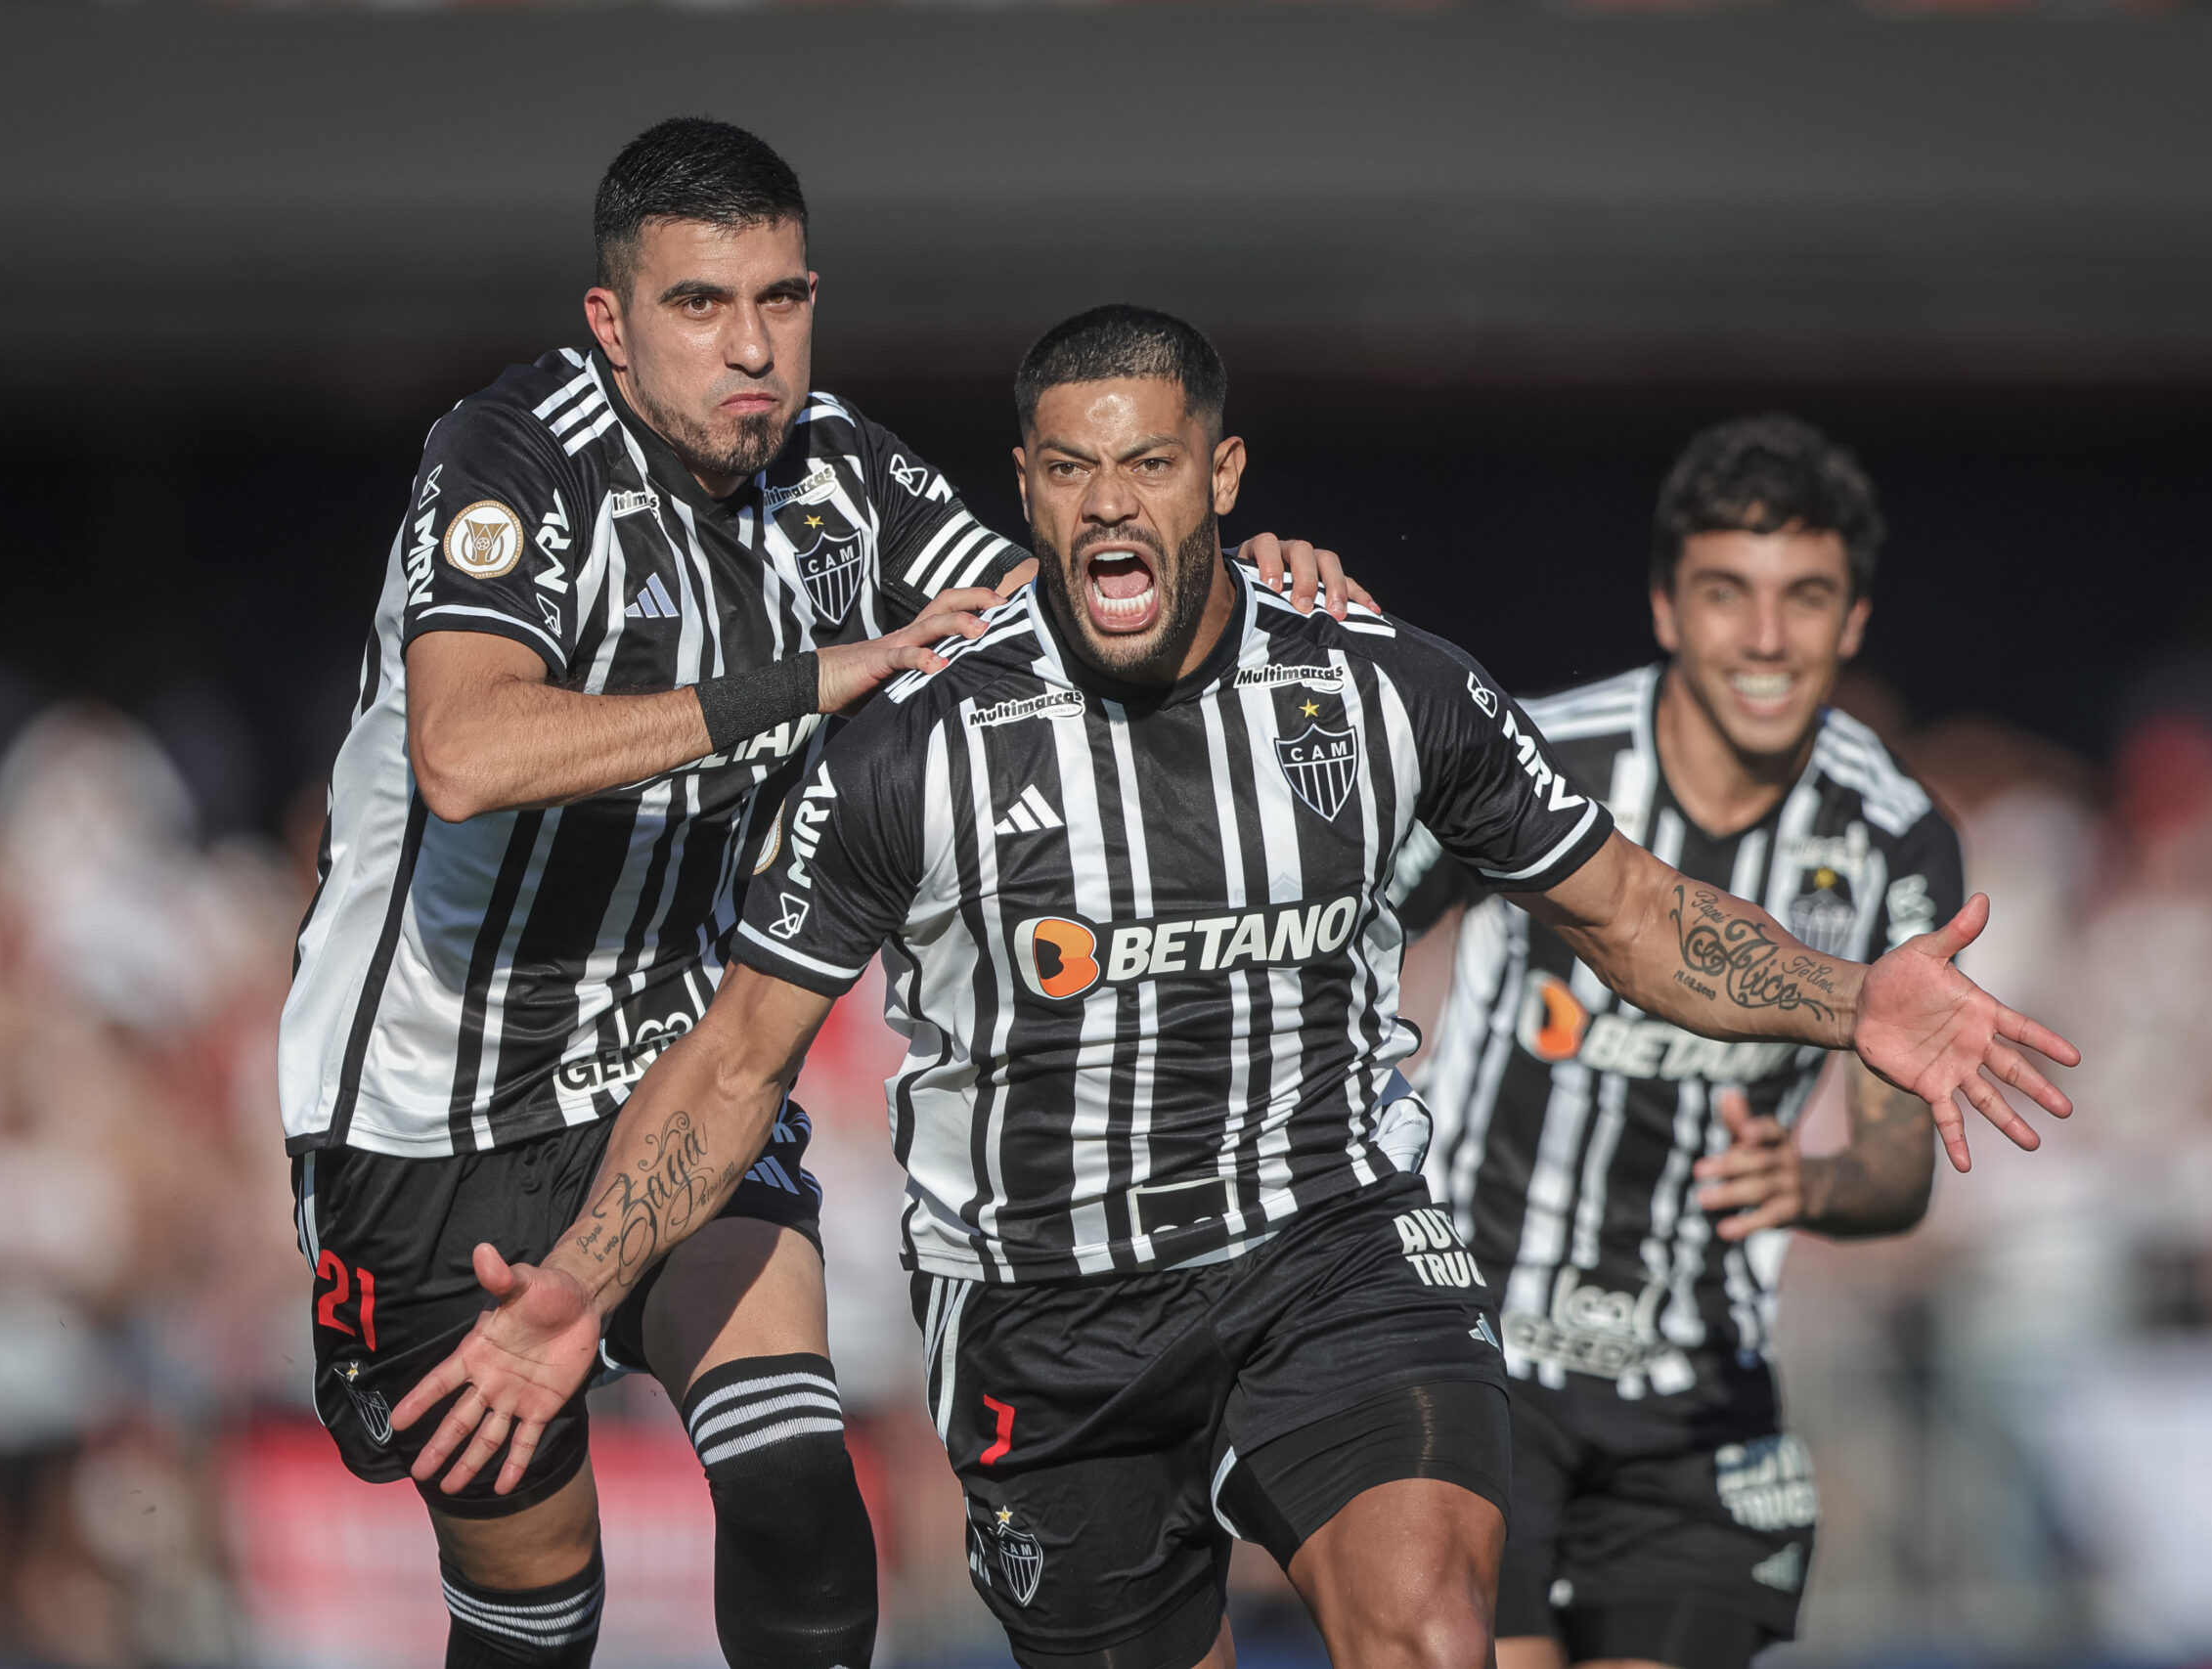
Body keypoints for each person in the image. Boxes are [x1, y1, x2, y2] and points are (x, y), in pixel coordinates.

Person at [389, 310, 2076, 1669]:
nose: (1112, 504)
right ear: (1030, 492)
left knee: (1424, 1631)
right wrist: (573, 1290)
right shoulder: (916, 749)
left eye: (1151, 464)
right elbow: (738, 1060)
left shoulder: (1388, 694)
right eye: (1072, 471)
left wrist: (1855, 1000)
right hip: (1050, 1315)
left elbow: (1628, 913)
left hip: (1325, 1253)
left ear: (1223, 476)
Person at [278, 125, 1357, 1669]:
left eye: (781, 302)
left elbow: (1052, 615)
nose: (752, 350)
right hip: (422, 1107)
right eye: (702, 306)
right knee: (532, 1604)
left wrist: (1236, 577)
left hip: (678, 1063)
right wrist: (805, 682)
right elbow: (464, 749)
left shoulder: (841, 472)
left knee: (800, 1495)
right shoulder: (509, 456)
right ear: (611, 322)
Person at [1391, 414, 1972, 1668]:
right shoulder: (1537, 753)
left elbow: (1898, 1163)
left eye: (1804, 598)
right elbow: (1352, 922)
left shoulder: (1895, 837)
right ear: (1665, 607)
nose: (1765, 639)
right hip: (1477, 1356)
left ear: (1854, 621)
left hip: (1698, 1396)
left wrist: (1813, 1183)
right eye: (1727, 594)